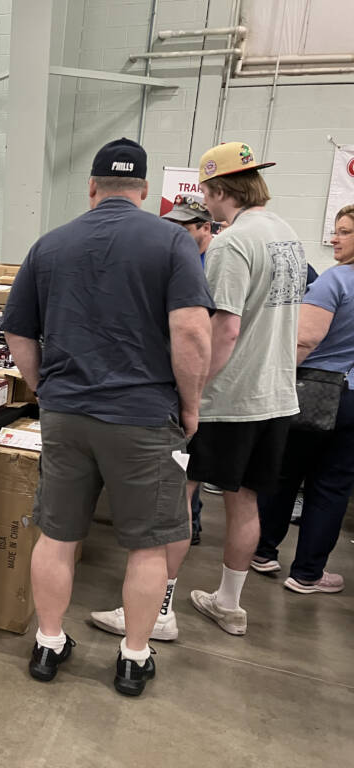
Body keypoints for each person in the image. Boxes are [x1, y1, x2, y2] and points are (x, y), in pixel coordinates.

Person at [2, 138, 213, 696]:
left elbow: (18, 330)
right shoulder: (172, 241)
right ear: (143, 191)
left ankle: (48, 644)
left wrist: (45, 386)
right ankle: (133, 657)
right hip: (143, 416)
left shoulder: (50, 245)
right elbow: (192, 331)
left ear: (91, 187)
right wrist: (191, 405)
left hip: (68, 413)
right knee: (147, 543)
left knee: (57, 534)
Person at [181, 141, 305, 636]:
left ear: (217, 190)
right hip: (276, 395)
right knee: (246, 500)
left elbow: (225, 329)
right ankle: (229, 604)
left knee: (179, 495)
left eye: (206, 193)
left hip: (228, 399)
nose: (205, 204)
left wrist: (193, 390)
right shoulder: (286, 234)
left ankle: (157, 608)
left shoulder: (232, 242)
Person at [251, 203, 354, 594]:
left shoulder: (335, 282)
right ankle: (309, 573)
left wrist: (275, 382)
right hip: (352, 401)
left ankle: (263, 551)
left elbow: (304, 339)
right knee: (330, 487)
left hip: (312, 390)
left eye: (344, 232)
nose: (334, 238)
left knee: (284, 474)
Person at [161, 194, 214, 545]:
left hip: (204, 381)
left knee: (189, 467)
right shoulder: (180, 260)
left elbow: (202, 331)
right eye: (173, 225)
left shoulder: (213, 264)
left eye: (184, 226)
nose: (176, 232)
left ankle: (187, 526)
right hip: (179, 376)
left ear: (205, 227)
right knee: (181, 465)